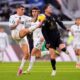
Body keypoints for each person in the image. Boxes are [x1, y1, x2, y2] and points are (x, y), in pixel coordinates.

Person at [9, 4, 41, 76]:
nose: (23, 11)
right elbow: (10, 27)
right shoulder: (13, 17)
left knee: (27, 54)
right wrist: (16, 24)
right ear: (17, 9)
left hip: (22, 37)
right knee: (25, 30)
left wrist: (36, 15)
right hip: (15, 34)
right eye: (22, 9)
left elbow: (32, 19)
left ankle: (20, 69)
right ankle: (37, 26)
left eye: (24, 9)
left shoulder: (25, 17)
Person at [41, 4, 69, 76]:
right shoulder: (43, 18)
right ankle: (54, 70)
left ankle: (65, 50)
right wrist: (47, 42)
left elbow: (60, 22)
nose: (51, 9)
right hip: (50, 40)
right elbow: (43, 32)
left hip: (57, 37)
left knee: (63, 48)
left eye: (51, 7)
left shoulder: (54, 15)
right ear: (45, 9)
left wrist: (65, 28)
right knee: (52, 56)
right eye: (49, 8)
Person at [23, 7, 49, 74]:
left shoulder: (42, 17)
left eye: (35, 11)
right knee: (38, 55)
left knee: (32, 53)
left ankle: (28, 70)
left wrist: (44, 36)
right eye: (33, 11)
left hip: (40, 38)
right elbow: (33, 29)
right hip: (35, 39)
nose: (34, 13)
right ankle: (49, 51)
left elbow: (45, 27)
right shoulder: (32, 20)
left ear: (38, 12)